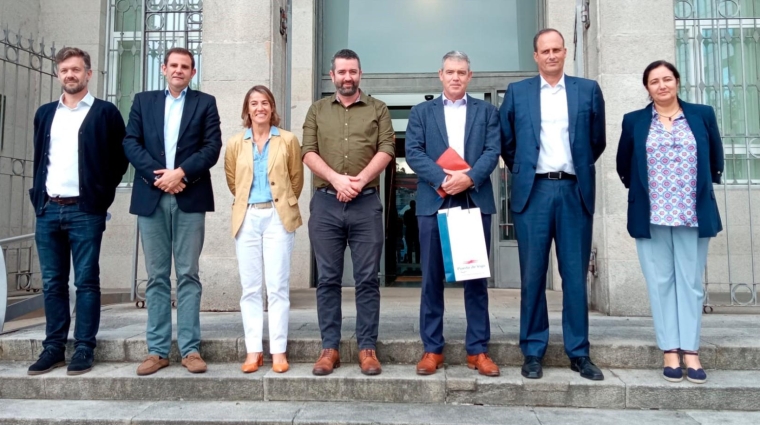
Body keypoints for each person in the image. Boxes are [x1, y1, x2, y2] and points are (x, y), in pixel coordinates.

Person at [500, 29, 607, 380]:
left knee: (574, 276)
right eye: (544, 50)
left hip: (574, 191)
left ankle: (578, 352)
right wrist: (531, 172)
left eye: (556, 49)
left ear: (564, 53)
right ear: (535, 55)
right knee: (532, 275)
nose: (551, 55)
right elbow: (508, 142)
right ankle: (532, 350)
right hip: (534, 193)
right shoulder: (518, 93)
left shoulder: (587, 90)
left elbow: (596, 141)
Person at [616, 60, 723, 384]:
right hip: (652, 215)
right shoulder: (634, 121)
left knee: (690, 283)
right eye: (654, 81)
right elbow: (624, 163)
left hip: (692, 214)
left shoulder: (701, 115)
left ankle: (691, 350)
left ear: (677, 81)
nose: (661, 86)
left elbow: (715, 157)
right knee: (660, 283)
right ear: (647, 87)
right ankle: (670, 350)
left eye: (666, 79)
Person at [27, 47, 128, 376]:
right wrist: (39, 198)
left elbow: (119, 160)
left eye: (76, 70)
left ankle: (84, 346)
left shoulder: (105, 113)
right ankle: (53, 346)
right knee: (53, 283)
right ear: (59, 74)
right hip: (48, 209)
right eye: (65, 70)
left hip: (85, 210)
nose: (70, 75)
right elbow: (41, 158)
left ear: (88, 73)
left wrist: (100, 197)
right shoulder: (45, 114)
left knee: (86, 281)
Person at [123, 47, 222, 376]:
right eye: (174, 65)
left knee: (188, 274)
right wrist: (161, 176)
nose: (179, 70)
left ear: (193, 72)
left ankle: (191, 350)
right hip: (151, 198)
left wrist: (180, 173)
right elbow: (130, 143)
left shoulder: (204, 103)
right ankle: (157, 350)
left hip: (189, 196)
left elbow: (212, 147)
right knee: (156, 277)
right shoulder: (143, 101)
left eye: (186, 67)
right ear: (163, 68)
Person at [405, 51, 501, 377]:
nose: (456, 77)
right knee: (431, 280)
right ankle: (432, 349)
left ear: (470, 76)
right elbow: (413, 152)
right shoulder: (421, 112)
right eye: (450, 71)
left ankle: (478, 350)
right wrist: (445, 179)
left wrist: (469, 177)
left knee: (475, 280)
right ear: (440, 75)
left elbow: (492, 151)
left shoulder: (487, 112)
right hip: (434, 202)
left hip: (472, 199)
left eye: (462, 72)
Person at [302, 49, 395, 376]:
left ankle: (367, 347)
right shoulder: (317, 110)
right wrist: (337, 179)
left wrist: (359, 181)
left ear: (360, 73)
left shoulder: (378, 109)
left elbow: (387, 149)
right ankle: (330, 348)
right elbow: (308, 152)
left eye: (352, 71)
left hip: (365, 203)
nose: (347, 77)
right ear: (332, 75)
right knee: (327, 279)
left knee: (368, 279)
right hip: (326, 203)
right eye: (341, 72)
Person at [224, 85, 303, 374]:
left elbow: (296, 180)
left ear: (272, 108)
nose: (260, 108)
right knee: (251, 288)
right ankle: (253, 350)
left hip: (278, 217)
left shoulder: (288, 140)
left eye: (265, 102)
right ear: (247, 109)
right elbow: (233, 180)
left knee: (278, 287)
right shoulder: (235, 143)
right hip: (247, 218)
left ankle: (278, 351)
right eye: (254, 103)